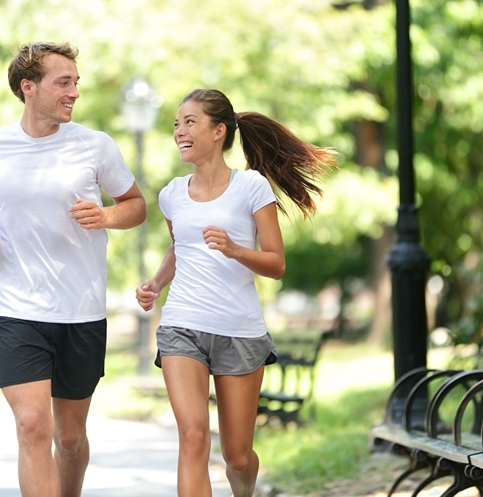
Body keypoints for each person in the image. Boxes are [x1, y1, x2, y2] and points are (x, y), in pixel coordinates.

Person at [0, 41, 146, 497]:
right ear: (29, 87)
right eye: (63, 82)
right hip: (16, 306)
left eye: (75, 82)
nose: (74, 93)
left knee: (68, 437)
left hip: (80, 309)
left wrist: (106, 216)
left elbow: (136, 206)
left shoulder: (95, 145)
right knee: (32, 428)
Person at [135, 89, 336, 497]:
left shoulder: (251, 187)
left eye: (189, 122)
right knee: (193, 437)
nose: (179, 131)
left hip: (239, 331)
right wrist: (156, 283)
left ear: (218, 131)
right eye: (176, 123)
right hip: (182, 326)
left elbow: (276, 264)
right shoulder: (172, 194)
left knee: (238, 458)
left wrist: (234, 249)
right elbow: (181, 248)